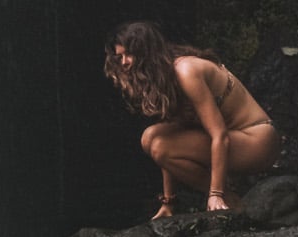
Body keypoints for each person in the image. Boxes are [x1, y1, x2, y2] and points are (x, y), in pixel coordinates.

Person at [103, 19, 280, 219]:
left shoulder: (186, 71)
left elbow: (219, 135)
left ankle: (229, 200)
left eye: (130, 54)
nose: (125, 62)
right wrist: (168, 202)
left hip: (259, 141)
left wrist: (216, 194)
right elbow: (169, 142)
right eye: (120, 57)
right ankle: (224, 201)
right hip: (236, 141)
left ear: (147, 52)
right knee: (149, 137)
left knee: (161, 145)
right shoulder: (166, 75)